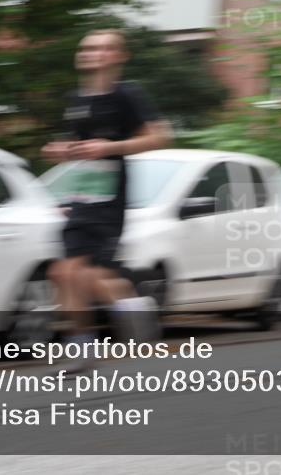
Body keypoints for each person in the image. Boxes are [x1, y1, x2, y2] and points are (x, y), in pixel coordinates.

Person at [42, 28, 172, 366]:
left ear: (119, 56)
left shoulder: (127, 95)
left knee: (81, 273)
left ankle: (103, 335)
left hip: (109, 199)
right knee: (64, 273)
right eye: (87, 47)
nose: (92, 53)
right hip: (81, 197)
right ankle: (89, 341)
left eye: (103, 48)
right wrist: (62, 151)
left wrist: (111, 148)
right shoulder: (77, 99)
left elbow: (160, 137)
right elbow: (80, 147)